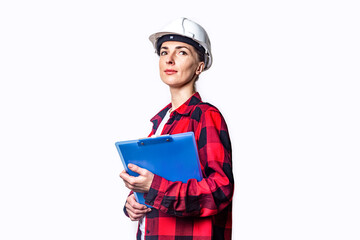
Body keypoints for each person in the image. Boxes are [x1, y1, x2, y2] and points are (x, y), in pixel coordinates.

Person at [120, 17, 234, 240]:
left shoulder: (205, 116)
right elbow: (159, 185)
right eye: (164, 52)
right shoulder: (160, 123)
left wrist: (154, 188)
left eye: (181, 52)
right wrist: (134, 201)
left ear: (199, 66)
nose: (169, 59)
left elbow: (219, 190)